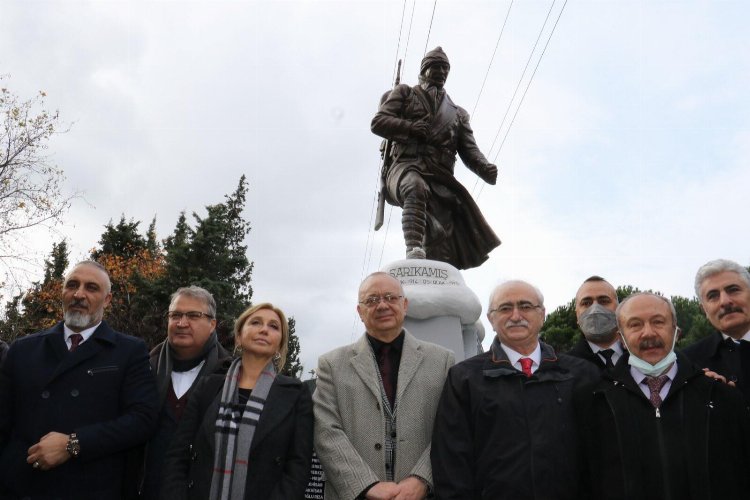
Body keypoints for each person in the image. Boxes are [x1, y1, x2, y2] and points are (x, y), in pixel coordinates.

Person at [0, 260, 159, 500]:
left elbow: (142, 420)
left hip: (91, 486)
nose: (79, 294)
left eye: (91, 288)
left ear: (107, 300)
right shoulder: (23, 349)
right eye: (72, 285)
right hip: (24, 486)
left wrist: (73, 444)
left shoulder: (130, 351)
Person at [431, 280, 599, 499]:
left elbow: (599, 455)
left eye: (526, 306)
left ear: (542, 315)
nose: (516, 315)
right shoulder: (464, 378)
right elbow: (451, 460)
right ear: (491, 319)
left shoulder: (581, 374)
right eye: (505, 308)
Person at [579, 292, 750, 499]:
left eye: (658, 322)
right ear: (621, 338)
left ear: (676, 331)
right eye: (635, 325)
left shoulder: (719, 395)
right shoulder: (595, 402)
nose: (648, 333)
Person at [314, 272, 454, 500]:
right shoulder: (332, 364)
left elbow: (451, 427)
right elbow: (325, 430)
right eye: (371, 300)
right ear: (360, 312)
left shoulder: (442, 361)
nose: (382, 305)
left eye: (390, 297)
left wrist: (422, 479)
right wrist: (365, 485)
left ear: (405, 304)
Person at [161, 302, 313, 499]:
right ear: (239, 337)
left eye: (273, 326)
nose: (264, 330)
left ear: (280, 343)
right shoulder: (209, 387)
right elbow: (178, 453)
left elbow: (298, 467)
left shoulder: (296, 394)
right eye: (256, 322)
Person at [371, 47, 500, 269]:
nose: (441, 71)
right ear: (424, 69)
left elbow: (469, 150)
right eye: (436, 66)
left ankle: (438, 272)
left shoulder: (458, 113)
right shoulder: (405, 93)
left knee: (441, 240)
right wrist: (410, 128)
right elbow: (379, 122)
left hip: (440, 176)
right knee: (415, 186)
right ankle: (413, 249)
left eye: (445, 68)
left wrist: (484, 167)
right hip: (405, 166)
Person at [140, 286, 232, 499]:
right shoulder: (144, 369)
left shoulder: (230, 377)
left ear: (212, 325)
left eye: (193, 315)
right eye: (175, 315)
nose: (182, 323)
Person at [682, 258, 750, 402]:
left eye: (733, 290)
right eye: (713, 296)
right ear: (704, 310)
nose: (725, 301)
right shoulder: (688, 364)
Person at [567, 276, 625, 372]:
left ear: (619, 310)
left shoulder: (643, 357)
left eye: (604, 301)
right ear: (577, 314)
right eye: (586, 303)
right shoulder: (562, 368)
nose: (595, 309)